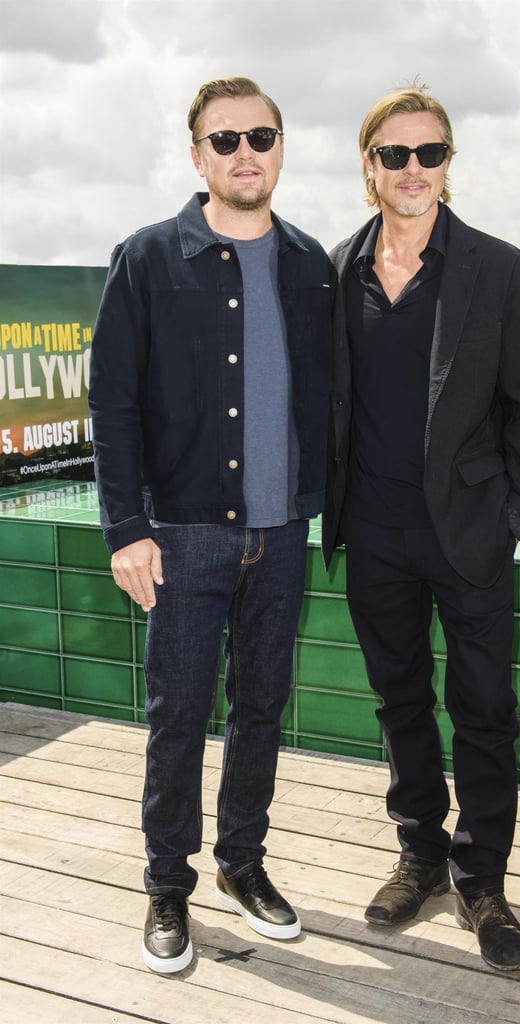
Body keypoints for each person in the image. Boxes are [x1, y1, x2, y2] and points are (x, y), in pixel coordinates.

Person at [89, 76, 332, 974]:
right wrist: (126, 528)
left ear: (280, 148)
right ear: (197, 155)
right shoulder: (149, 257)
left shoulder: (312, 263)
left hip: (282, 534)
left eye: (260, 137)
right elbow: (110, 402)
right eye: (224, 139)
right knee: (178, 715)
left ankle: (243, 866)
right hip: (182, 532)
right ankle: (166, 887)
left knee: (262, 708)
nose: (244, 153)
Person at [323, 83, 520, 972]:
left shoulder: (497, 268)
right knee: (401, 702)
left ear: (449, 164)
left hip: (470, 533)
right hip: (374, 532)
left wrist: (513, 518)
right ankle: (420, 851)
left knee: (486, 710)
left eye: (429, 154)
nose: (412, 170)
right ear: (370, 167)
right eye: (395, 155)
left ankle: (481, 875)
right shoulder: (337, 267)